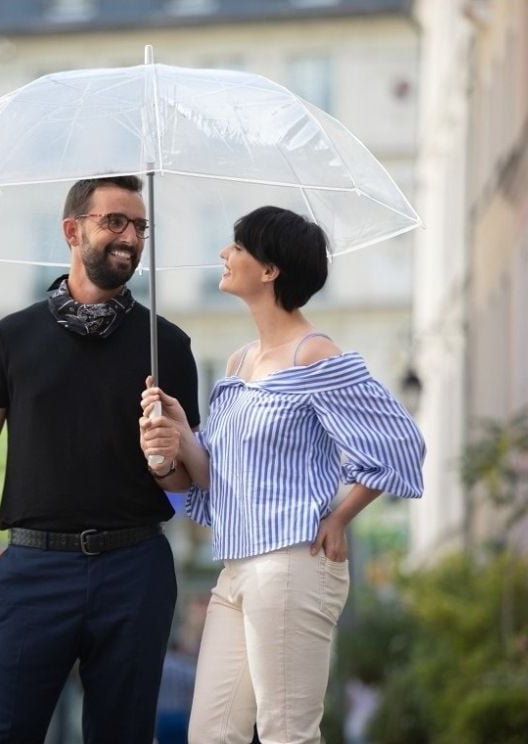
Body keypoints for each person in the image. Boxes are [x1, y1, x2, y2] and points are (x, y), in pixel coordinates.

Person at [139, 206, 425, 744]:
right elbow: (213, 480)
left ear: (269, 270)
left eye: (237, 248)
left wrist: (341, 516)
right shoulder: (238, 362)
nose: (224, 255)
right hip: (236, 568)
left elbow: (401, 444)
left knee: (286, 733)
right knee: (211, 734)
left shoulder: (313, 353)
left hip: (294, 562)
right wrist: (180, 434)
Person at [0, 175, 200, 744]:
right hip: (32, 568)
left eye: (139, 227)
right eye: (115, 221)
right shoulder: (12, 338)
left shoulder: (169, 347)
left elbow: (188, 480)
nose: (130, 237)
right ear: (72, 230)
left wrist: (165, 461)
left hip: (135, 567)